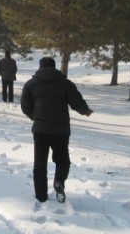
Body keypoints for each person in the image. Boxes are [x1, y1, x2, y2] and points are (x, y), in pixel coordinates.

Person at [21, 57, 93, 203]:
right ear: (55, 67)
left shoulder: (30, 84)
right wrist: (85, 111)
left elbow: (25, 106)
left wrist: (35, 117)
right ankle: (59, 181)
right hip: (61, 130)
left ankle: (41, 196)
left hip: (40, 130)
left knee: (40, 162)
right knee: (63, 160)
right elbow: (76, 102)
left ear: (40, 67)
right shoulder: (66, 84)